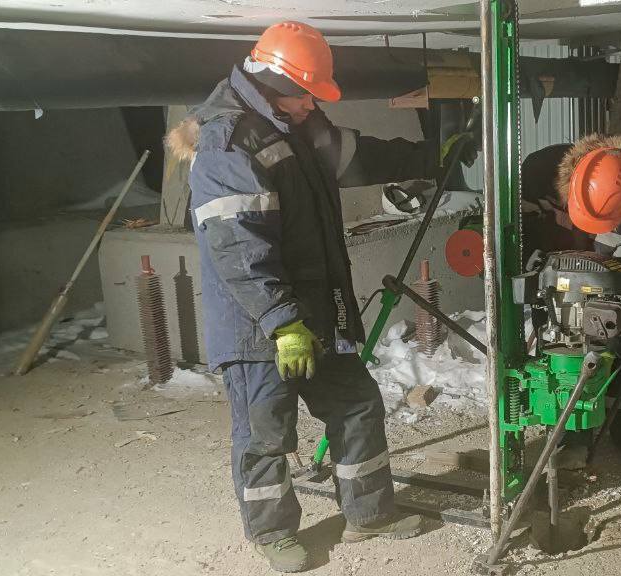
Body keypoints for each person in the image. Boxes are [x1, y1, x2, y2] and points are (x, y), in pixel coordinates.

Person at [167, 21, 445, 573]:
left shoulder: (295, 122)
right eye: (306, 93)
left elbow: (355, 156)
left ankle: (368, 515)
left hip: (318, 310)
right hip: (258, 324)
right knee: (266, 432)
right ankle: (272, 533)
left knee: (357, 404)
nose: (312, 103)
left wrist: (431, 156)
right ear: (275, 82)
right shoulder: (229, 143)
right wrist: (282, 322)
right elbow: (238, 249)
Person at [520, 133, 621, 468]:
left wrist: (609, 307)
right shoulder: (537, 172)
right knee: (558, 345)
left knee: (618, 337)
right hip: (551, 258)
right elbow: (518, 232)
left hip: (603, 266)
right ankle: (571, 440)